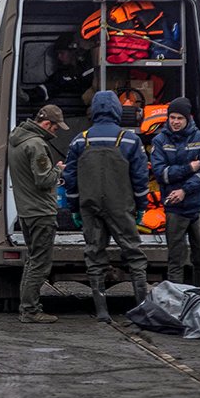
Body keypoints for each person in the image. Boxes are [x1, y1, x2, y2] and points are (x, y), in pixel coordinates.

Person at [63, 91, 150, 322]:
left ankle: (101, 311)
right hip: (121, 207)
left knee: (94, 254)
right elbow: (140, 177)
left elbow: (69, 177)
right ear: (117, 111)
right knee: (134, 255)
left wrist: (74, 208)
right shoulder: (131, 140)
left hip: (90, 207)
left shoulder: (80, 140)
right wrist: (141, 206)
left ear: (94, 111)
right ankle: (141, 308)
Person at [9, 105, 68, 324]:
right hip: (41, 212)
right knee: (40, 264)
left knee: (33, 261)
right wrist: (59, 169)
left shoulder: (18, 140)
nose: (56, 132)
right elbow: (44, 180)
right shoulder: (36, 145)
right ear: (46, 124)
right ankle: (30, 310)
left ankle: (28, 308)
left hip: (26, 212)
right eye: (55, 127)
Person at [150, 97, 200, 288]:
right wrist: (189, 167)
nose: (175, 122)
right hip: (174, 211)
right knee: (175, 261)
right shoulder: (159, 141)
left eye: (179, 118)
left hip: (197, 210)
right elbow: (161, 174)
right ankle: (176, 304)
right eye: (172, 117)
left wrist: (184, 190)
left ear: (188, 118)